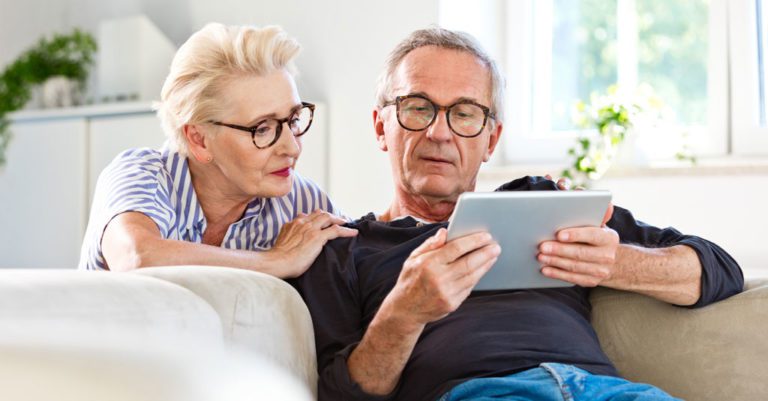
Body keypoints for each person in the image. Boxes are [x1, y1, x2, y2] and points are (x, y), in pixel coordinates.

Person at [290, 28, 744, 401]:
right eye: (417, 108)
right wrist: (404, 314)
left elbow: (720, 271)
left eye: (464, 114)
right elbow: (342, 394)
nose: (438, 132)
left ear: (491, 140)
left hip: (609, 392)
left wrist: (616, 263)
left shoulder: (546, 201)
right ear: (380, 127)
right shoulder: (343, 249)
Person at [78, 23, 356, 276]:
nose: (292, 147)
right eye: (262, 129)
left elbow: (361, 264)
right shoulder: (141, 175)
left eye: (294, 120)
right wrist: (276, 262)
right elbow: (138, 257)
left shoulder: (302, 202)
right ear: (199, 139)